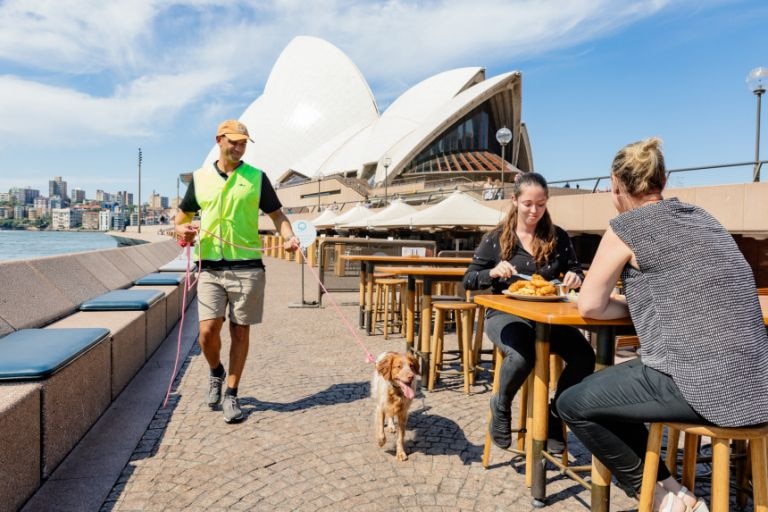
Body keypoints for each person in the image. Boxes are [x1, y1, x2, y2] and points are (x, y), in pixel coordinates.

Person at [556, 137, 768, 512]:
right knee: (614, 392)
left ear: (615, 185)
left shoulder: (627, 227)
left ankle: (656, 497)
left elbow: (589, 304)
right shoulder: (705, 219)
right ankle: (673, 489)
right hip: (758, 384)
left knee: (573, 402)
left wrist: (623, 304)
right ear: (664, 181)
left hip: (703, 386)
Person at [175, 119, 299, 424]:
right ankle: (215, 370)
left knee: (240, 331)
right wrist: (183, 230)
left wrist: (289, 237)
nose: (239, 147)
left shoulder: (256, 177)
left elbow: (277, 215)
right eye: (233, 141)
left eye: (243, 143)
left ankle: (231, 391)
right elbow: (181, 217)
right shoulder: (201, 178)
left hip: (247, 267)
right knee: (207, 332)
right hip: (210, 266)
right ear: (219, 140)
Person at [463, 172, 594, 454]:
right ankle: (501, 405)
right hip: (505, 314)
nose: (535, 211)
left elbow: (575, 269)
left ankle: (555, 413)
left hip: (548, 316)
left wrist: (575, 276)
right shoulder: (496, 238)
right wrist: (492, 272)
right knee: (523, 355)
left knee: (585, 356)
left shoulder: (558, 236)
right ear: (514, 200)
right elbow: (469, 279)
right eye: (528, 204)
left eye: (541, 204)